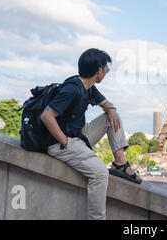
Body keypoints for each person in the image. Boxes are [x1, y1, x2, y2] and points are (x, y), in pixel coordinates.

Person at [41, 48, 142, 220]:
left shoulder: (88, 86)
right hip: (60, 142)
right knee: (100, 174)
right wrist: (65, 142)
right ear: (99, 71)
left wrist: (111, 109)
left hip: (78, 134)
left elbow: (107, 104)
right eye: (107, 69)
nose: (107, 73)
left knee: (112, 117)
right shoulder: (72, 89)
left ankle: (120, 163)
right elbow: (46, 115)